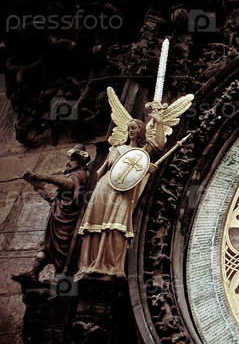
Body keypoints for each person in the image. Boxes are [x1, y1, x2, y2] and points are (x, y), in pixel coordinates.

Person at [75, 111, 164, 279]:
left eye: (134, 128)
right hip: (106, 186)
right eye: (129, 128)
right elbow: (107, 168)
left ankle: (111, 265)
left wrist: (159, 123)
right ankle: (90, 263)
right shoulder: (118, 148)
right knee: (96, 224)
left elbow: (159, 146)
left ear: (141, 131)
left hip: (125, 191)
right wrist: (144, 167)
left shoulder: (143, 151)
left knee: (117, 226)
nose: (131, 131)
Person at [13, 145, 91, 281]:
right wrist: (39, 188)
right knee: (47, 246)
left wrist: (47, 177)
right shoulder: (69, 182)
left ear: (80, 163)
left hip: (67, 222)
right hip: (56, 220)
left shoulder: (80, 175)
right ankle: (33, 273)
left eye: (72, 160)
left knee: (63, 249)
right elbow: (52, 199)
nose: (68, 162)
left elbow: (69, 185)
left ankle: (61, 277)